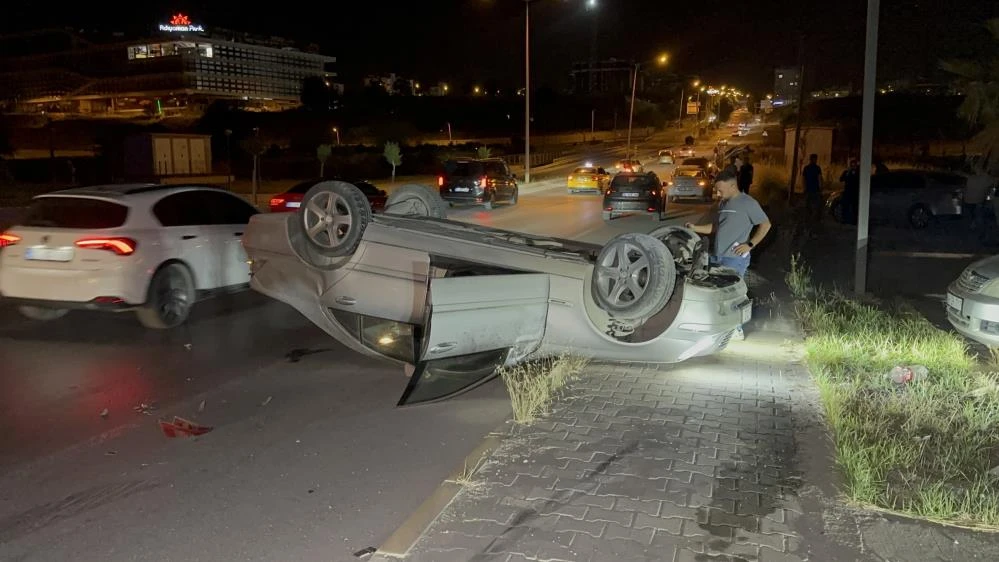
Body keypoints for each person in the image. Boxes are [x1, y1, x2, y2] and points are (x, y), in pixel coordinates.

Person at [685, 169, 771, 341]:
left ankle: (737, 330)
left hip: (735, 258)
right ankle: (722, 327)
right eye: (717, 190)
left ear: (733, 186)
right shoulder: (723, 204)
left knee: (732, 293)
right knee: (719, 293)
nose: (718, 193)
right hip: (718, 256)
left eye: (720, 190)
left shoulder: (748, 203)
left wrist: (750, 245)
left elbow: (765, 224)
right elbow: (716, 227)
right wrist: (695, 228)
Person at [801, 154, 823, 229]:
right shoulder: (817, 168)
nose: (815, 160)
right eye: (815, 159)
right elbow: (819, 179)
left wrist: (804, 188)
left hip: (810, 190)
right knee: (814, 206)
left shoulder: (807, 168)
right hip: (814, 190)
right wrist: (820, 189)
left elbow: (803, 179)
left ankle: (808, 221)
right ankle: (812, 221)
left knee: (809, 206)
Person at [839, 159, 860, 225]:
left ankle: (855, 221)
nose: (853, 167)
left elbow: (858, 180)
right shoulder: (847, 172)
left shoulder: (858, 172)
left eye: (854, 166)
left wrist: (855, 174)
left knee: (855, 208)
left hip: (855, 193)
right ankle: (844, 220)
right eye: (852, 165)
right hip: (847, 192)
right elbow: (841, 179)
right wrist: (847, 174)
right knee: (845, 207)